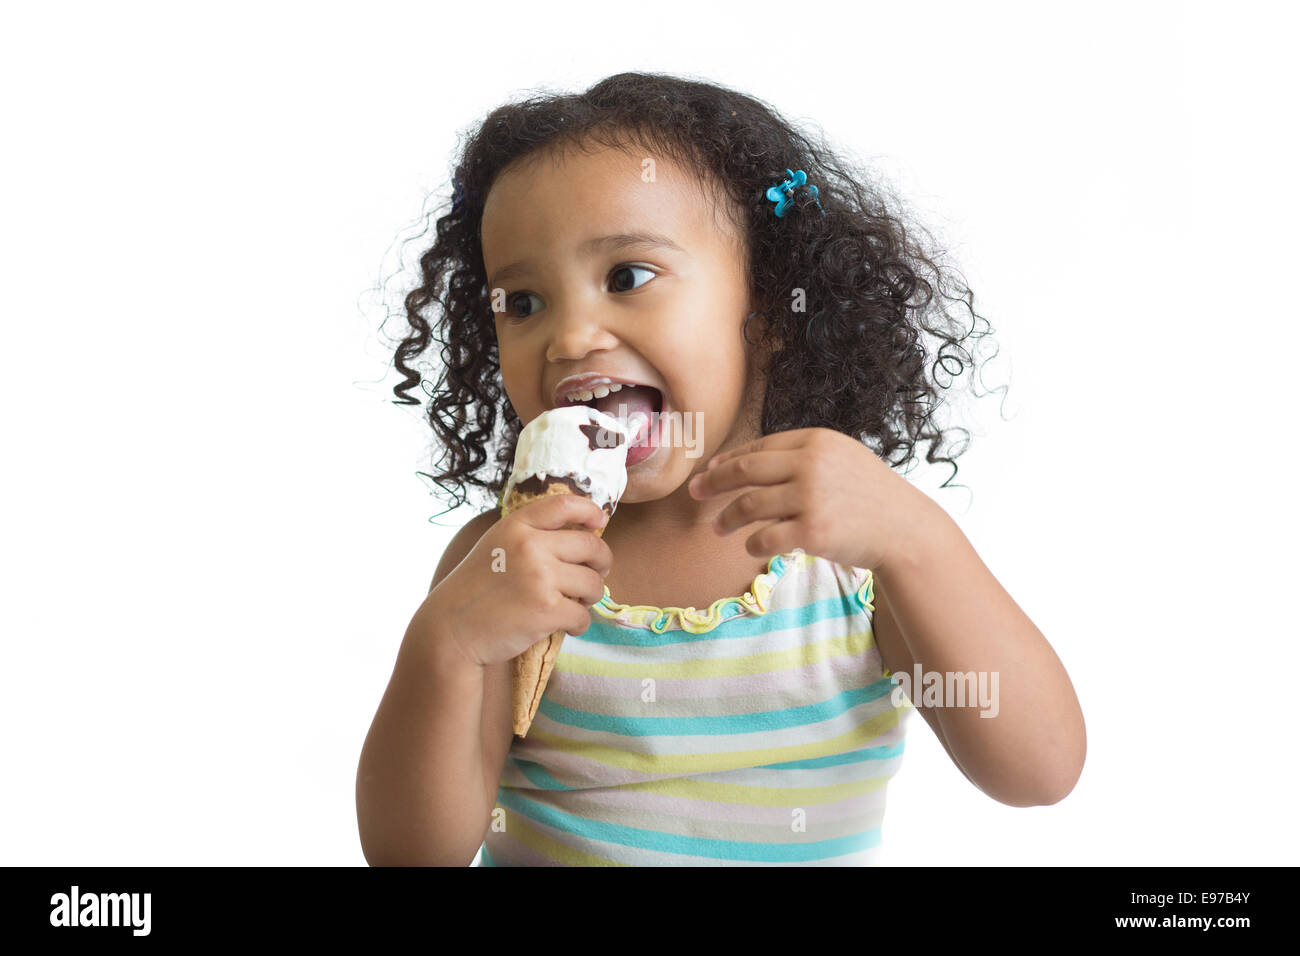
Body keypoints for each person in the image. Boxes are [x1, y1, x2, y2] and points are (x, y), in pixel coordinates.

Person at [356, 72, 1086, 866]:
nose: (569, 338)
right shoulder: (502, 563)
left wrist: (920, 544)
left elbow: (1038, 771)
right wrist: (450, 644)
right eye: (523, 303)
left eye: (626, 277)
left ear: (768, 309)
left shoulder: (849, 559)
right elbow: (412, 854)